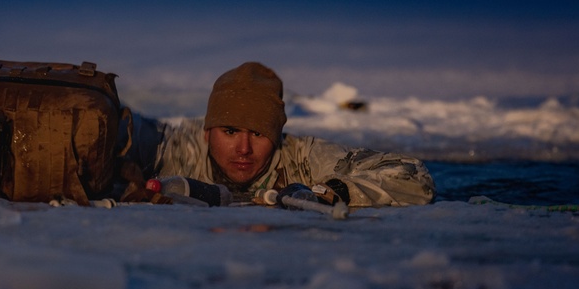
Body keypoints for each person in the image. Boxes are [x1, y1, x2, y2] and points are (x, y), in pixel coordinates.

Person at [124, 62, 435, 208]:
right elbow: (115, 125)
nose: (243, 149)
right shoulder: (174, 147)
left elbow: (412, 177)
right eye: (230, 131)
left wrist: (330, 192)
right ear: (207, 133)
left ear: (276, 137)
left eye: (258, 133)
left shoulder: (301, 158)